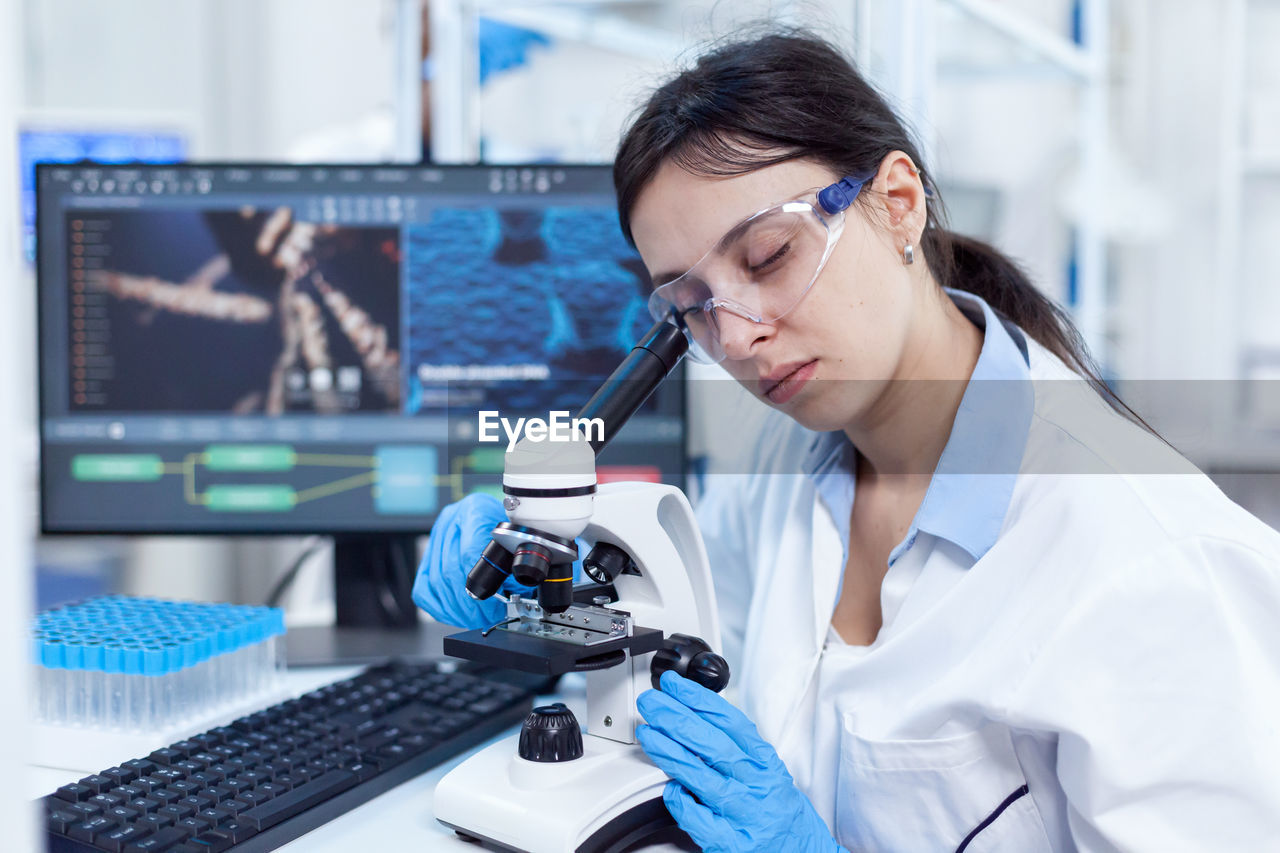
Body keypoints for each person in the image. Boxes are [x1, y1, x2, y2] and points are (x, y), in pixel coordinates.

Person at [413, 29, 1280, 852]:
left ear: (897, 204)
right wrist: (544, 585)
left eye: (766, 257)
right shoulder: (789, 460)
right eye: (693, 308)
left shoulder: (1157, 563)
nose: (739, 337)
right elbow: (693, 632)